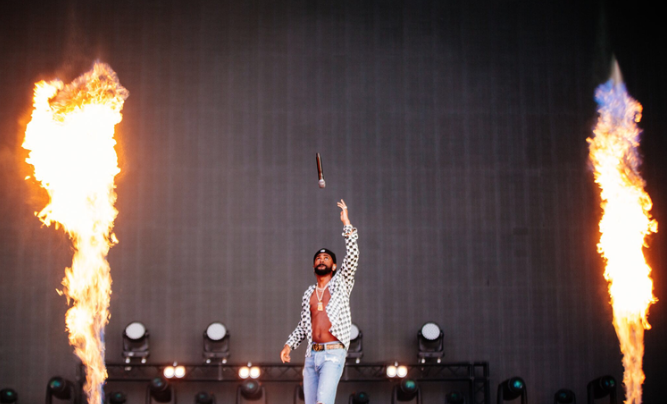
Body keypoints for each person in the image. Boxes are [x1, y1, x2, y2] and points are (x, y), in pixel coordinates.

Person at [280, 199, 360, 404]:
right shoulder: (309, 293)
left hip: (333, 353)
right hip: (311, 356)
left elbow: (352, 256)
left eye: (326, 258)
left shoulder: (341, 282)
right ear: (313, 266)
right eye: (318, 258)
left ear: (334, 266)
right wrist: (289, 345)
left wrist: (346, 224)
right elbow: (304, 326)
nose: (321, 260)